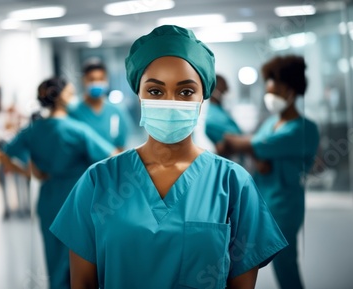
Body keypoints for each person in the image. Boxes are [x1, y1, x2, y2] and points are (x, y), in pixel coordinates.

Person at [50, 25, 288, 289]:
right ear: (138, 94)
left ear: (202, 98)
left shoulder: (232, 183)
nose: (170, 102)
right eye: (155, 91)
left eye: (186, 92)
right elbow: (81, 283)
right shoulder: (99, 181)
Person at [0, 77, 117, 289]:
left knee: (54, 259)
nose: (74, 98)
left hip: (48, 200)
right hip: (77, 200)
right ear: (61, 97)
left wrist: (28, 171)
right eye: (70, 94)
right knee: (80, 260)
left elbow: (5, 154)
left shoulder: (33, 130)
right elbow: (113, 157)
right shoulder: (77, 130)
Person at [223, 55, 320, 289]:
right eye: (269, 92)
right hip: (262, 203)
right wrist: (256, 151)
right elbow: (259, 149)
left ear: (291, 91)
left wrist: (236, 142)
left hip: (285, 206)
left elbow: (255, 145)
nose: (271, 98)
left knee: (285, 263)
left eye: (275, 93)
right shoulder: (271, 123)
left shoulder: (304, 129)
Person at [68, 59, 132, 151]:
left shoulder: (117, 111)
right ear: (84, 80)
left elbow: (121, 147)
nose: (96, 83)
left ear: (106, 79)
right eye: (91, 79)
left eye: (101, 79)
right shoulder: (73, 111)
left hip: (110, 163)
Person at [205, 74, 243, 153]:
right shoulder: (213, 118)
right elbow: (224, 145)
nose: (227, 92)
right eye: (224, 90)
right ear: (214, 91)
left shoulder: (221, 111)